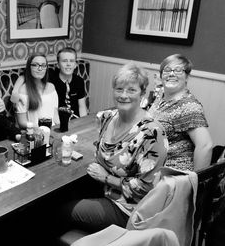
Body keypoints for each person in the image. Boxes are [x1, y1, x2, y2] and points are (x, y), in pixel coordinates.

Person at [60, 63, 168, 233]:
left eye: (131, 90)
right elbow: (101, 155)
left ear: (142, 93)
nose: (123, 95)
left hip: (129, 207)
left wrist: (106, 178)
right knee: (54, 198)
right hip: (102, 190)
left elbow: (146, 189)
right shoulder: (107, 117)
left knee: (63, 211)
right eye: (119, 89)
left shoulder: (152, 133)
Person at [148, 54, 213, 171]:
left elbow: (205, 146)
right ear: (161, 75)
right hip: (151, 165)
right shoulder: (160, 97)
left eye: (178, 70)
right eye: (167, 70)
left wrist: (193, 182)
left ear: (187, 77)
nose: (171, 74)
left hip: (171, 174)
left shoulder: (188, 106)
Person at [12, 47, 87, 118]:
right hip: (57, 119)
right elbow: (24, 76)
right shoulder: (50, 77)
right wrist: (15, 91)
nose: (68, 64)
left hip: (75, 119)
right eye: (64, 61)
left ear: (75, 65)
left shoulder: (79, 81)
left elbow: (82, 107)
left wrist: (83, 123)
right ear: (58, 65)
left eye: (71, 61)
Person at [14, 53, 59, 128]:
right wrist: (40, 126)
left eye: (43, 65)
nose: (40, 68)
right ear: (29, 67)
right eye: (35, 65)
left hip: (53, 130)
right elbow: (21, 122)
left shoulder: (51, 87)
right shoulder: (23, 90)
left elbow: (55, 116)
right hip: (35, 132)